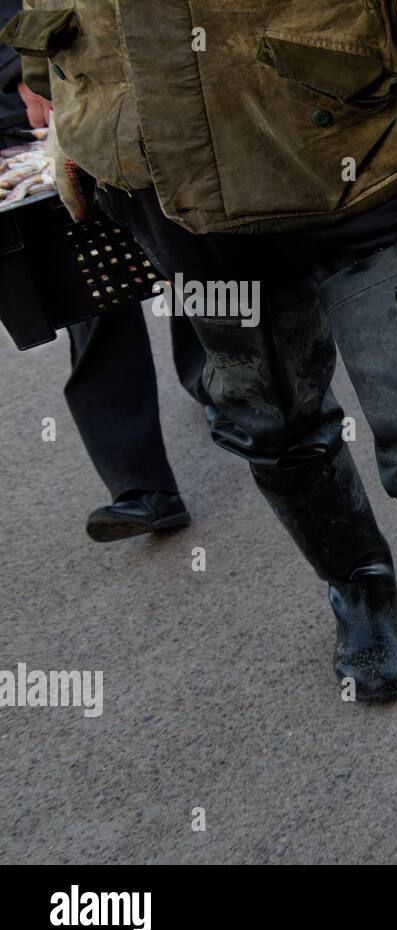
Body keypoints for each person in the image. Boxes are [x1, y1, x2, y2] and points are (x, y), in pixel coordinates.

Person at [1, 0, 397, 849]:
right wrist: (66, 97)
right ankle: (357, 584)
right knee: (270, 424)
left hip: (375, 163)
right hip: (182, 201)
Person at [0, 0, 207, 541]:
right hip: (30, 112)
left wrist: (32, 72)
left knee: (189, 240)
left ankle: (219, 382)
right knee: (93, 291)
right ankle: (141, 487)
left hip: (96, 75)